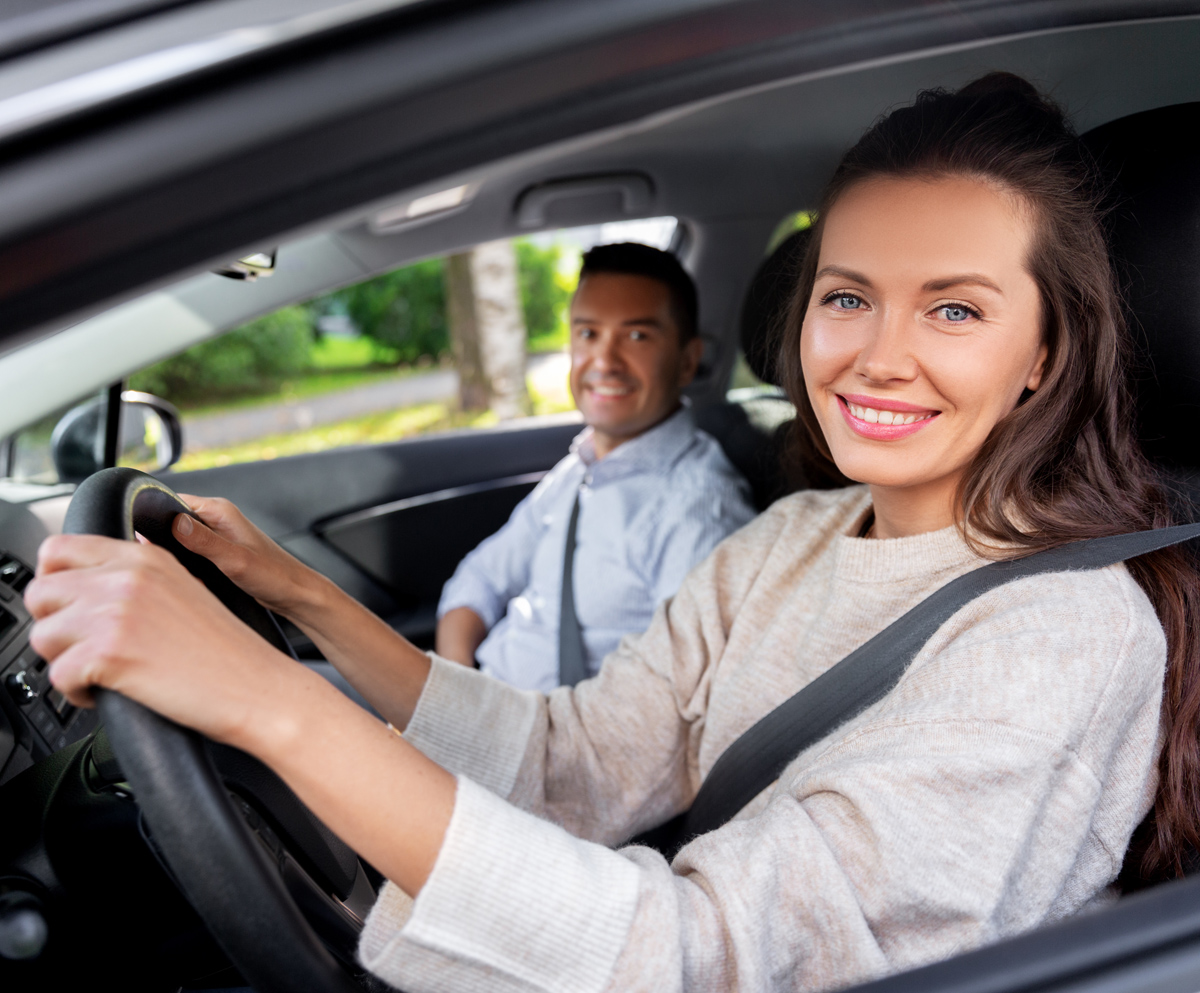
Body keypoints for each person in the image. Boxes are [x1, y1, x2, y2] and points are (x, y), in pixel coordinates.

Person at [27, 73, 1200, 992]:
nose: (878, 354)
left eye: (954, 307)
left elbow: (705, 962)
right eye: (849, 296)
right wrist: (303, 605)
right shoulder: (795, 533)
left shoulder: (1061, 635)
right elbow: (570, 763)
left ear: (1044, 352)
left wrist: (271, 706)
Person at [435, 242, 755, 690]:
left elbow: (676, 701)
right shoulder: (580, 468)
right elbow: (480, 578)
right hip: (472, 704)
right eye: (588, 334)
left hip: (543, 748)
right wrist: (454, 688)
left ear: (687, 360)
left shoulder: (697, 507)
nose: (604, 362)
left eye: (637, 336)